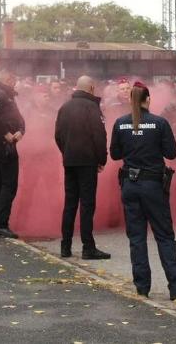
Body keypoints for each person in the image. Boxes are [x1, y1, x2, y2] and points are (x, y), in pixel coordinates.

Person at [110, 81, 176, 301]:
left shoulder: (120, 123)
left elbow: (115, 154)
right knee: (164, 236)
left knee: (137, 238)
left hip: (130, 185)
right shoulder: (159, 123)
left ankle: (142, 287)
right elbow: (172, 153)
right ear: (148, 99)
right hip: (153, 186)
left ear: (130, 100)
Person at [54, 75, 110, 260]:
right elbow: (99, 136)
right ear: (91, 88)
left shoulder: (64, 107)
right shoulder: (92, 107)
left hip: (69, 161)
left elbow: (58, 135)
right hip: (87, 162)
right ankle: (88, 247)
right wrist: (101, 160)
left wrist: (67, 152)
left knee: (70, 204)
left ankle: (65, 246)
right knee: (87, 204)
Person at [0, 69, 26, 239]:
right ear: (7, 79)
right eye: (13, 78)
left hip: (4, 144)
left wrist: (21, 131)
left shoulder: (7, 96)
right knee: (7, 185)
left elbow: (19, 118)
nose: (15, 82)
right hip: (1, 145)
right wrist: (6, 133)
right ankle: (0, 224)